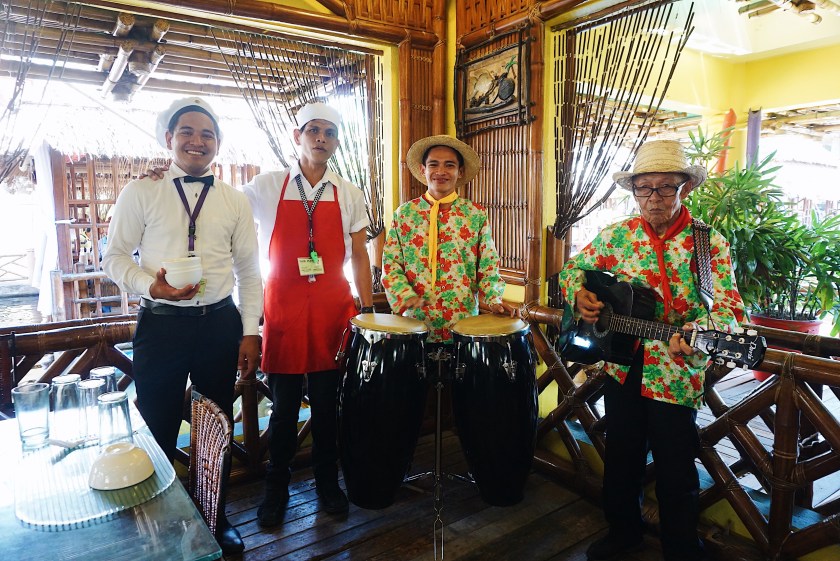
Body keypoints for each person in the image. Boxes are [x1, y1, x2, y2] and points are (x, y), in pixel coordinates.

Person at [559, 140, 745, 561]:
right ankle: (623, 533)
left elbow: (731, 310)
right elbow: (572, 269)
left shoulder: (707, 243)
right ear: (634, 191)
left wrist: (699, 329)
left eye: (665, 187)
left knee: (676, 466)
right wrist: (580, 295)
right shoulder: (618, 235)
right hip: (622, 364)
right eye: (644, 188)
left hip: (676, 368)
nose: (654, 198)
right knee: (621, 455)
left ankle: (682, 549)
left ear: (685, 188)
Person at [102, 96, 262, 554]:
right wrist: (151, 286)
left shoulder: (233, 199)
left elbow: (249, 271)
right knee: (157, 422)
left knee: (216, 423)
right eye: (187, 132)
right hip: (162, 325)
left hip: (219, 324)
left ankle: (215, 515)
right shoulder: (141, 191)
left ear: (218, 144)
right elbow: (113, 257)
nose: (197, 141)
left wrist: (250, 330)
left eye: (207, 134)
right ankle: (156, 520)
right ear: (169, 139)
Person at [244, 102, 374, 527]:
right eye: (313, 130)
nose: (321, 138)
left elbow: (360, 255)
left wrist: (368, 308)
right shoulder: (266, 186)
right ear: (297, 136)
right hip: (282, 309)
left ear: (336, 142)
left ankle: (327, 484)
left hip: (333, 310)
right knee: (282, 410)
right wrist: (169, 174)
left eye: (329, 132)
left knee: (327, 406)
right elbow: (220, 211)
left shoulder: (348, 192)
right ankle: (275, 489)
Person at [382, 134, 516, 345]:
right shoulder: (405, 214)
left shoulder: (475, 214)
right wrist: (405, 295)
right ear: (423, 169)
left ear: (460, 171)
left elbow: (488, 264)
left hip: (462, 324)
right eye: (433, 164)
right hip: (415, 325)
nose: (441, 171)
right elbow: (391, 264)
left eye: (449, 165)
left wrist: (494, 299)